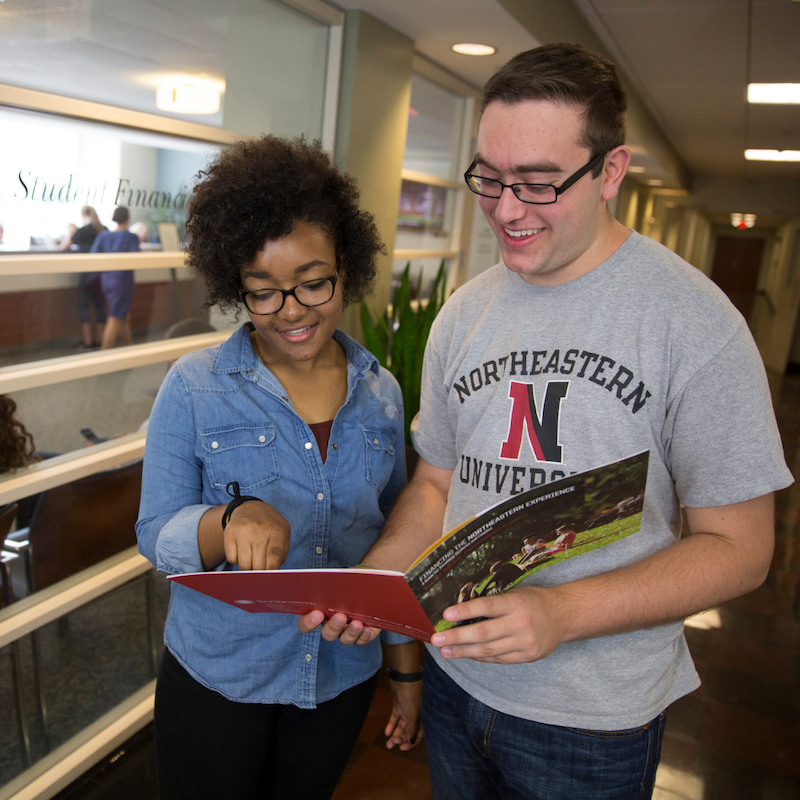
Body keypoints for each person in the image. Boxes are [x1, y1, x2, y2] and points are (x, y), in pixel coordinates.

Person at [299, 42, 793, 799]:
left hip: (593, 718)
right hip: (459, 677)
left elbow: (741, 547)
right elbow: (436, 481)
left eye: (535, 184)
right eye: (489, 179)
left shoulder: (694, 323)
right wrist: (380, 575)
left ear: (611, 172)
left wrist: (562, 611)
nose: (504, 209)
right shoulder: (464, 312)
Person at [135, 135, 423, 800]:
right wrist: (226, 520)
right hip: (219, 676)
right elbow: (156, 533)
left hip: (338, 678)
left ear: (346, 266)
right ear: (237, 288)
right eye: (262, 292)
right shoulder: (195, 385)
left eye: (312, 282)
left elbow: (394, 550)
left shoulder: (380, 393)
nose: (290, 311)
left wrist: (404, 674)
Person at [90, 206, 139, 349]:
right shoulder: (131, 237)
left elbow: (93, 256)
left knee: (122, 315)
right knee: (116, 316)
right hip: (123, 281)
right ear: (128, 219)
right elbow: (137, 258)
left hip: (107, 280)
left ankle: (128, 349)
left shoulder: (104, 236)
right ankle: (105, 355)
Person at [65, 206, 108, 349]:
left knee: (84, 308)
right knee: (100, 307)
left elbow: (65, 246)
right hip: (100, 276)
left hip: (85, 275)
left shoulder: (81, 231)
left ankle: (88, 341)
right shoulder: (104, 230)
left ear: (83, 215)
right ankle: (100, 340)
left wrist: (70, 233)